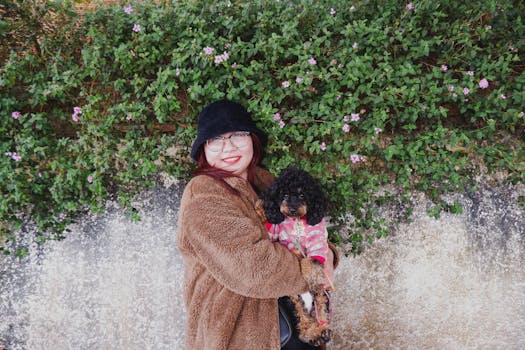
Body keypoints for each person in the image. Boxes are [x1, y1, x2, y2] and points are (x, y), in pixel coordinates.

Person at [177, 99, 338, 350]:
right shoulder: (204, 196)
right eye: (216, 140)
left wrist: (326, 253)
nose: (228, 147)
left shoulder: (266, 182)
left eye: (237, 136)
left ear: (253, 139)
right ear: (203, 150)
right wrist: (314, 269)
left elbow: (304, 230)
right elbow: (253, 268)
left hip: (292, 321)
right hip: (239, 332)